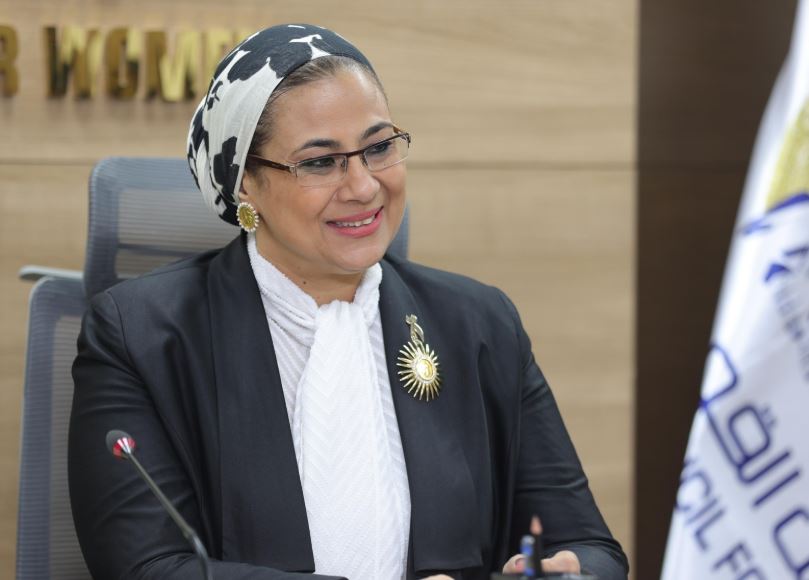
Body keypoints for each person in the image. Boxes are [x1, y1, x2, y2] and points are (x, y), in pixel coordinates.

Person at [68, 24, 629, 580]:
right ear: (245, 184)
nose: (363, 186)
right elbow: (147, 567)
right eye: (320, 162)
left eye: (379, 148)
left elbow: (589, 547)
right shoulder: (139, 335)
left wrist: (570, 571)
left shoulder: (480, 323)